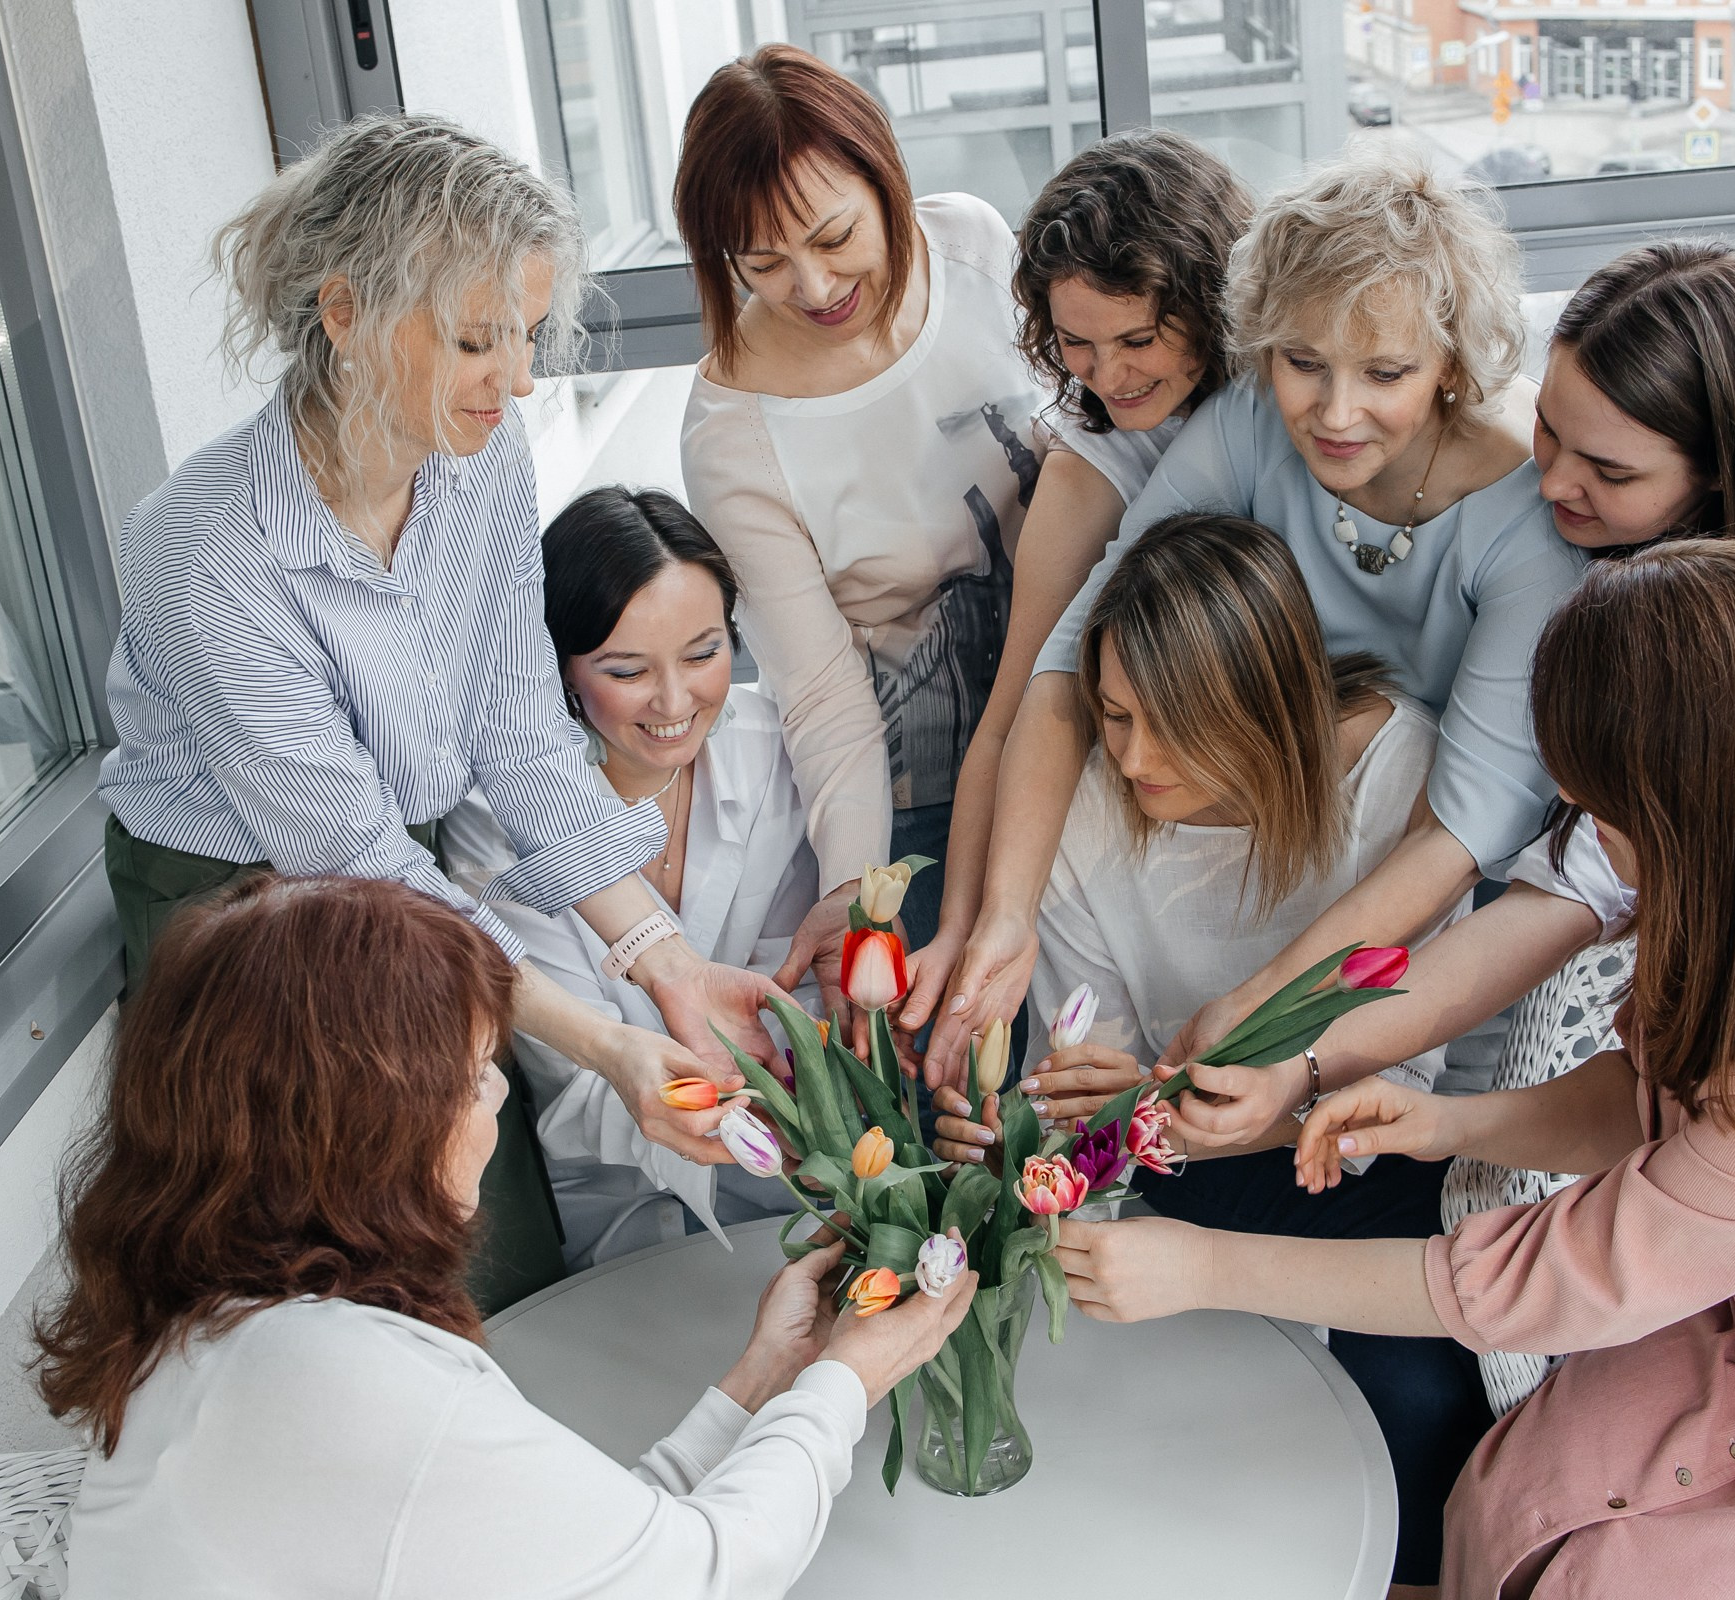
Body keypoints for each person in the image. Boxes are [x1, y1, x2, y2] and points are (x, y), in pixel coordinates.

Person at [1052, 542, 1735, 1598]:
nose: (1570, 809)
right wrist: (1450, 1124)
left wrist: (1201, 1266)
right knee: (1511, 1496)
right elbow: (1649, 1104)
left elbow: (1556, 1276)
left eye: (1600, 802)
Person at [94, 115, 780, 1305]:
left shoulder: (484, 458)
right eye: (476, 340)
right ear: (346, 312)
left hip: (388, 867)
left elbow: (517, 735)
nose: (516, 380)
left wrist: (666, 968)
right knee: (320, 1263)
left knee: (490, 1239)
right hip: (230, 906)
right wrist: (611, 1042)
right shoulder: (204, 551)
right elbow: (348, 859)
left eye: (523, 336)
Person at [47, 874, 977, 1600]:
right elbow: (698, 1577)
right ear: (365, 1133)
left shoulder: (232, 1330)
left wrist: (761, 1381)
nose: (496, 1103)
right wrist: (845, 1381)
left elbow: (596, 1552)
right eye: (469, 1078)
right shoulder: (337, 1382)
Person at [926, 140, 1584, 1102]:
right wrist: (1008, 914)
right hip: (1269, 818)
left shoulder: (1528, 524)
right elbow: (1077, 655)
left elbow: (1461, 832)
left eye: (1386, 372)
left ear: (1451, 363)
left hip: (1429, 908)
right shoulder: (1244, 420)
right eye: (1303, 361)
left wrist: (1265, 1008)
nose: (1335, 412)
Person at [1306, 239, 1735, 1096]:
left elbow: (1570, 894)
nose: (1551, 483)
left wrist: (1310, 1057)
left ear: (1721, 473)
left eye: (1608, 471)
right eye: (1549, 430)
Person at [931, 512, 1483, 1585]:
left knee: (1417, 1404)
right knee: (1145, 1428)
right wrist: (1052, 1134)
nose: (1133, 757)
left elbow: (1400, 1080)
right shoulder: (1090, 812)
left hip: (1373, 1166)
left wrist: (1152, 1105)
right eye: (1112, 715)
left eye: (1169, 724)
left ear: (1261, 702)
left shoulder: (1397, 772)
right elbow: (1086, 1098)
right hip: (1174, 1175)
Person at [675, 45, 1048, 994]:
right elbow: (820, 688)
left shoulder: (972, 247)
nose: (812, 286)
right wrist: (853, 885)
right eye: (763, 263)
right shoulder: (733, 433)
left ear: (885, 177)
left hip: (1079, 678)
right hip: (916, 760)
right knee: (948, 1059)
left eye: (836, 236)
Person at [918, 129, 1257, 1041]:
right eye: (1077, 343)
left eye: (1140, 338)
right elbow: (1017, 712)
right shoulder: (1085, 473)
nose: (1109, 375)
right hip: (1153, 844)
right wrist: (969, 924)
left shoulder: (1292, 404)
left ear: (1214, 304)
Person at [442, 487, 814, 1266]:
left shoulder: (773, 749)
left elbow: (796, 993)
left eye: (704, 653)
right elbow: (571, 1077)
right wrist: (708, 1111)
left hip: (790, 1187)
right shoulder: (493, 819)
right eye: (627, 670)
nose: (676, 701)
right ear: (560, 669)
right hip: (608, 1211)